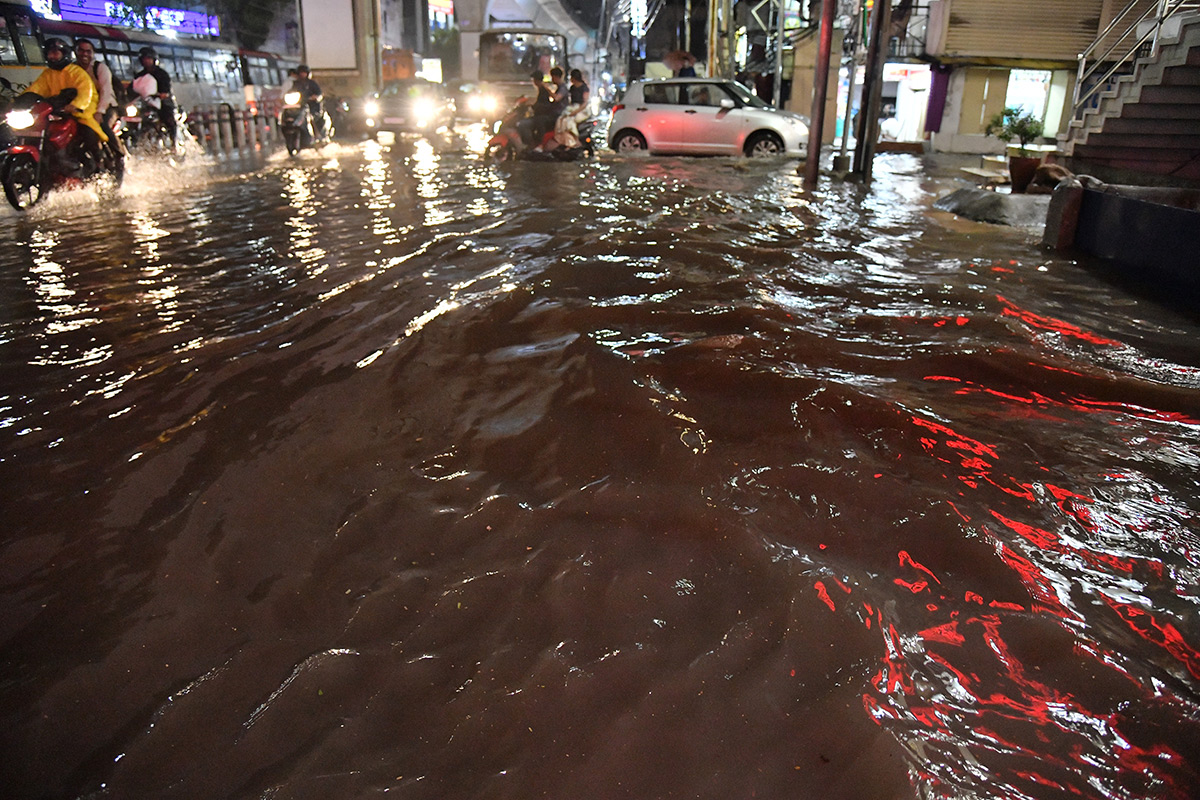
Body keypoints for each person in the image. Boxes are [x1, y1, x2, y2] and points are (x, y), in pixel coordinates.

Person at [22, 38, 107, 168]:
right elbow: (36, 89)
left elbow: (86, 91)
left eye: (56, 53)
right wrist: (18, 102)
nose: (53, 56)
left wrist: (76, 105)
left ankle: (99, 162)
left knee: (88, 131)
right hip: (57, 109)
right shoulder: (47, 74)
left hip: (84, 110)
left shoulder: (76, 72)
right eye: (50, 53)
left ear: (64, 53)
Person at [74, 38, 124, 158]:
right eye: (81, 50)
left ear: (93, 53)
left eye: (88, 51)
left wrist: (100, 112)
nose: (84, 54)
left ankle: (119, 156)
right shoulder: (72, 69)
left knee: (104, 127)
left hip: (106, 106)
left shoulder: (100, 68)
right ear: (75, 52)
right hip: (84, 108)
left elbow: (106, 91)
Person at [132, 46, 176, 143]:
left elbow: (166, 89)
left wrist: (161, 95)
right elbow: (133, 88)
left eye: (148, 58)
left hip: (162, 103)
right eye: (143, 59)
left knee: (169, 120)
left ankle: (174, 143)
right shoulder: (140, 75)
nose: (146, 61)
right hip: (146, 103)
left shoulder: (162, 74)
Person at [518, 70, 556, 146]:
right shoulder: (541, 89)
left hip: (542, 117)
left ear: (536, 80)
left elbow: (543, 104)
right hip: (540, 115)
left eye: (534, 80)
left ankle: (532, 144)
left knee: (523, 124)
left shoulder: (543, 90)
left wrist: (532, 105)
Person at [554, 68, 590, 144]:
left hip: (582, 110)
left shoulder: (584, 88)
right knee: (561, 120)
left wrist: (575, 112)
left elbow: (585, 103)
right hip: (572, 108)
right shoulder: (572, 88)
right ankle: (564, 141)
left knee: (569, 121)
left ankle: (576, 141)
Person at [290, 64, 326, 138]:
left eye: (304, 72)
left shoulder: (312, 83)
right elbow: (291, 92)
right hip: (299, 106)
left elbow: (319, 94)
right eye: (300, 73)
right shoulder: (295, 84)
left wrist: (315, 97)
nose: (302, 74)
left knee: (311, 117)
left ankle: (317, 135)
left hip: (312, 106)